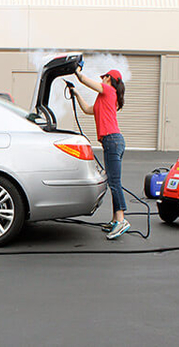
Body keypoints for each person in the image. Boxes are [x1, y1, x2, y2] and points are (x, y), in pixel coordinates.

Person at [72, 66, 128, 240]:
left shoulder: (109, 91)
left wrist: (78, 72)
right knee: (112, 181)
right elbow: (88, 110)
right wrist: (76, 94)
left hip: (113, 140)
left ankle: (121, 220)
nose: (102, 79)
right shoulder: (103, 98)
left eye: (104, 77)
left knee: (114, 182)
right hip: (111, 142)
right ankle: (115, 220)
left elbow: (85, 81)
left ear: (109, 79)